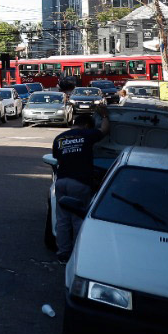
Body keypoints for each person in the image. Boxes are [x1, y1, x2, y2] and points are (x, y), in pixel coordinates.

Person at [50, 109, 110, 261]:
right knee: (77, 220)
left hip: (62, 181)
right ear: (86, 126)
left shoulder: (59, 138)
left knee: (62, 220)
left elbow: (57, 158)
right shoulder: (87, 134)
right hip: (80, 183)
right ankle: (78, 254)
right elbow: (105, 129)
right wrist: (105, 115)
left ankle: (63, 253)